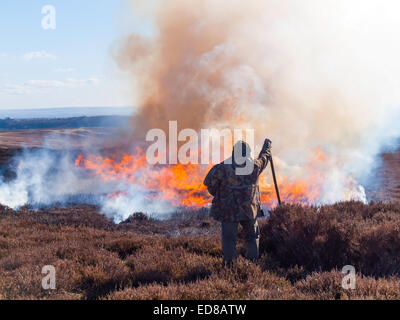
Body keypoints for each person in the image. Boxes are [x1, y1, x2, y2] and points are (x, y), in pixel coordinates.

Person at [203, 139, 272, 266]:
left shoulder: (222, 167)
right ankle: (251, 265)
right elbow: (265, 158)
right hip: (249, 210)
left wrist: (221, 195)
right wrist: (267, 147)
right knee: (252, 237)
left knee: (229, 238)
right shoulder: (255, 166)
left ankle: (230, 266)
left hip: (228, 211)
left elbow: (210, 185)